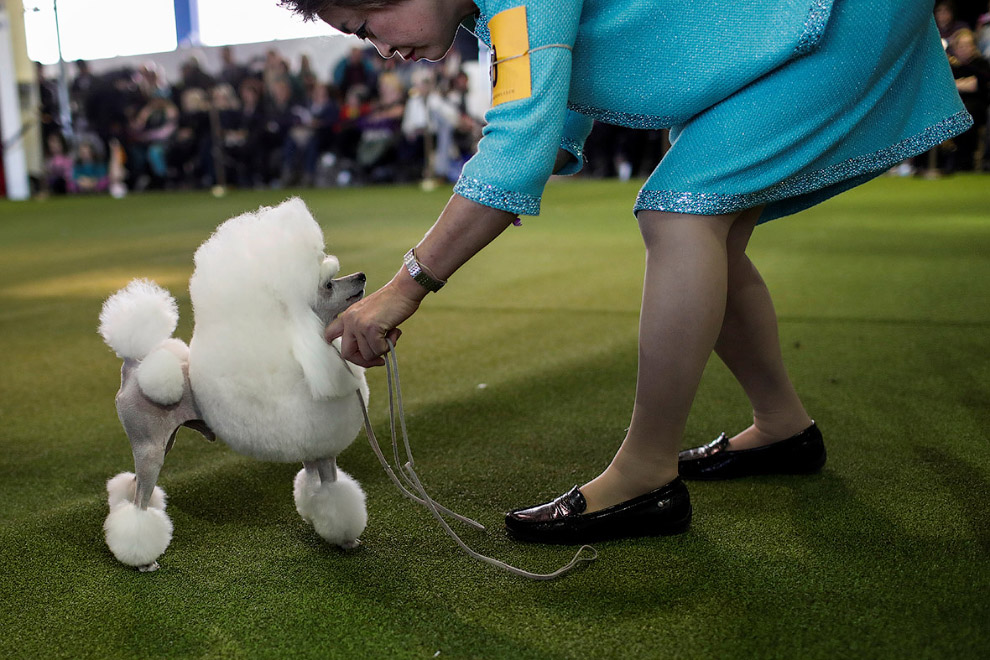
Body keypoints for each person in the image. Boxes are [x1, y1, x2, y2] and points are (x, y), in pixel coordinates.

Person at [280, 0, 972, 544]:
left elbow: (521, 147)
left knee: (681, 217)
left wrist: (407, 288)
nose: (381, 49)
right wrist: (481, 203)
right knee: (703, 225)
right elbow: (545, 138)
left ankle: (645, 474)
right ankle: (783, 427)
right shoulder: (495, 22)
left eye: (367, 23)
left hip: (842, 10)